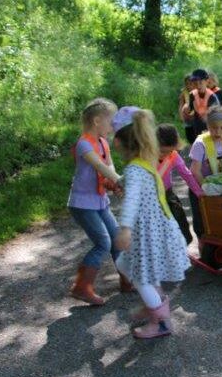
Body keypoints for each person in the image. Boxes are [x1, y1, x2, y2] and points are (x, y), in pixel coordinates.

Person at [112, 107, 190, 339]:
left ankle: (162, 321)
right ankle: (153, 303)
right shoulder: (142, 164)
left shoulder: (136, 169)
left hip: (145, 232)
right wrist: (119, 181)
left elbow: (133, 199)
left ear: (118, 142)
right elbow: (134, 183)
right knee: (128, 267)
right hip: (153, 230)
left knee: (139, 275)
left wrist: (125, 228)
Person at [67, 98, 127, 306]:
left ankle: (127, 279)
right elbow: (100, 167)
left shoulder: (103, 143)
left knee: (117, 237)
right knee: (103, 243)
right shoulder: (84, 144)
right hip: (82, 204)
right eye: (111, 121)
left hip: (100, 201)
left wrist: (117, 184)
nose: (114, 126)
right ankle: (81, 287)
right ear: (96, 121)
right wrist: (120, 181)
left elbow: (110, 170)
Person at [189, 106, 222, 238]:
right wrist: (205, 190)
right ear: (208, 126)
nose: (217, 132)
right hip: (200, 187)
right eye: (213, 127)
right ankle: (203, 244)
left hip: (220, 186)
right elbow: (195, 171)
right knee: (202, 222)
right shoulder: (200, 143)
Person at [157, 124, 203, 245]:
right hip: (152, 199)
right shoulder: (146, 156)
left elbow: (187, 175)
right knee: (161, 231)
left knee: (181, 226)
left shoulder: (173, 156)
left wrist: (199, 193)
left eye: (170, 151)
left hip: (168, 195)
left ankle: (181, 251)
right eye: (162, 152)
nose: (166, 155)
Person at [187, 69, 220, 140]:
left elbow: (215, 115)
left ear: (206, 81)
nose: (198, 86)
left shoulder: (212, 97)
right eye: (195, 83)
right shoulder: (192, 95)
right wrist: (188, 111)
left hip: (211, 129)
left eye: (200, 83)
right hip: (197, 128)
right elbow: (191, 110)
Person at [178, 73, 197, 145]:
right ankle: (193, 147)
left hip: (196, 117)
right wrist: (181, 115)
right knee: (189, 135)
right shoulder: (184, 92)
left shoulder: (198, 91)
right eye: (187, 84)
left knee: (198, 134)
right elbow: (181, 104)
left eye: (191, 84)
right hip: (187, 117)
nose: (189, 86)